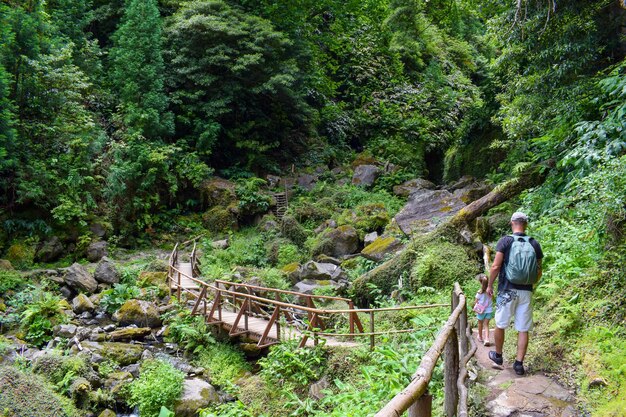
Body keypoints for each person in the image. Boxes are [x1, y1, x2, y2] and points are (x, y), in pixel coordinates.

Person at [486, 211, 543, 376]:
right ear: (525, 224)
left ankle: (498, 356)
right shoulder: (534, 243)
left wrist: (489, 284)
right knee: (523, 328)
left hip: (507, 290)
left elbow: (496, 266)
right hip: (526, 291)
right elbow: (539, 270)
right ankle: (519, 365)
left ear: (512, 223)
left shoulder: (505, 241)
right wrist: (531, 283)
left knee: (501, 324)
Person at [474, 275, 493, 347]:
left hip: (481, 311)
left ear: (480, 282)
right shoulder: (491, 291)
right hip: (489, 310)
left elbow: (476, 301)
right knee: (486, 325)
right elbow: (492, 299)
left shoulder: (479, 292)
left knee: (480, 324)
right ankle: (487, 339)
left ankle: (480, 337)